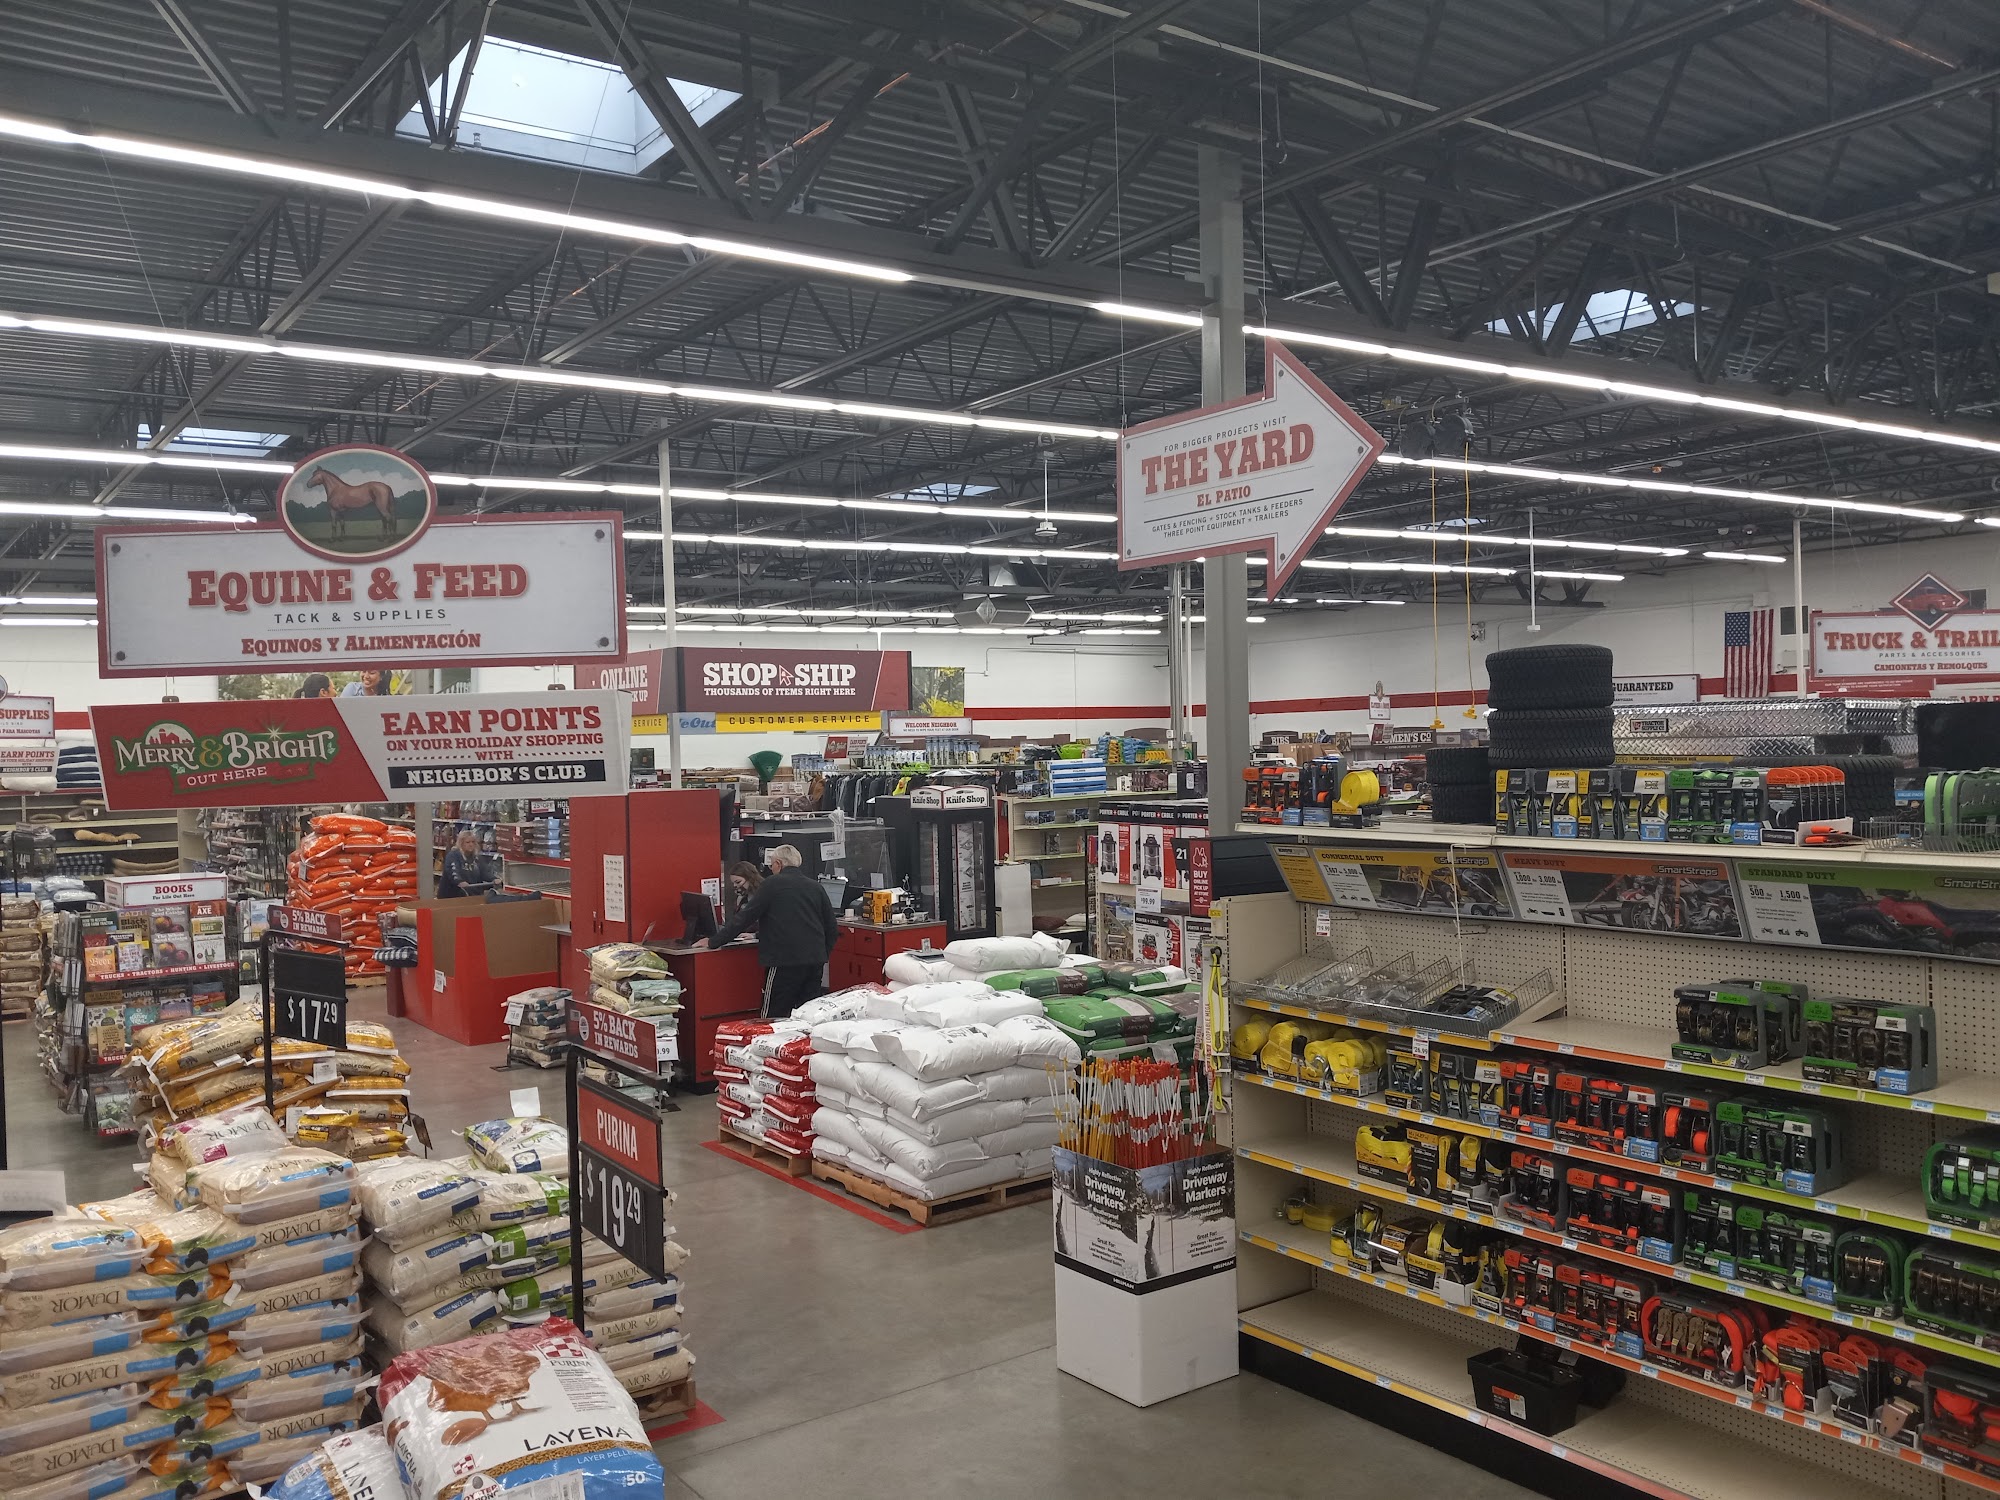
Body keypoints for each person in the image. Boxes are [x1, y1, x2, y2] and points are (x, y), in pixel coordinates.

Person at [706, 845, 837, 1019]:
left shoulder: (772, 884)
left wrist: (713, 941)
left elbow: (745, 918)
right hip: (814, 961)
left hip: (783, 961)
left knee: (773, 1016)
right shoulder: (815, 886)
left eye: (771, 864)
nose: (770, 868)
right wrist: (822, 954)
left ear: (778, 864)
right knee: (808, 1016)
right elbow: (831, 927)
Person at [439, 827, 494, 898]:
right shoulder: (453, 855)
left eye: (473, 842)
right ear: (461, 843)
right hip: (452, 894)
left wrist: (493, 879)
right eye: (467, 842)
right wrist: (459, 881)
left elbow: (484, 871)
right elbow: (453, 871)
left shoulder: (477, 857)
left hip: (472, 894)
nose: (471, 844)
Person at [725, 860, 763, 925]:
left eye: (738, 882)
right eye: (733, 883)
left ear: (750, 878)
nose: (735, 886)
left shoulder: (761, 895)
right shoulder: (741, 897)